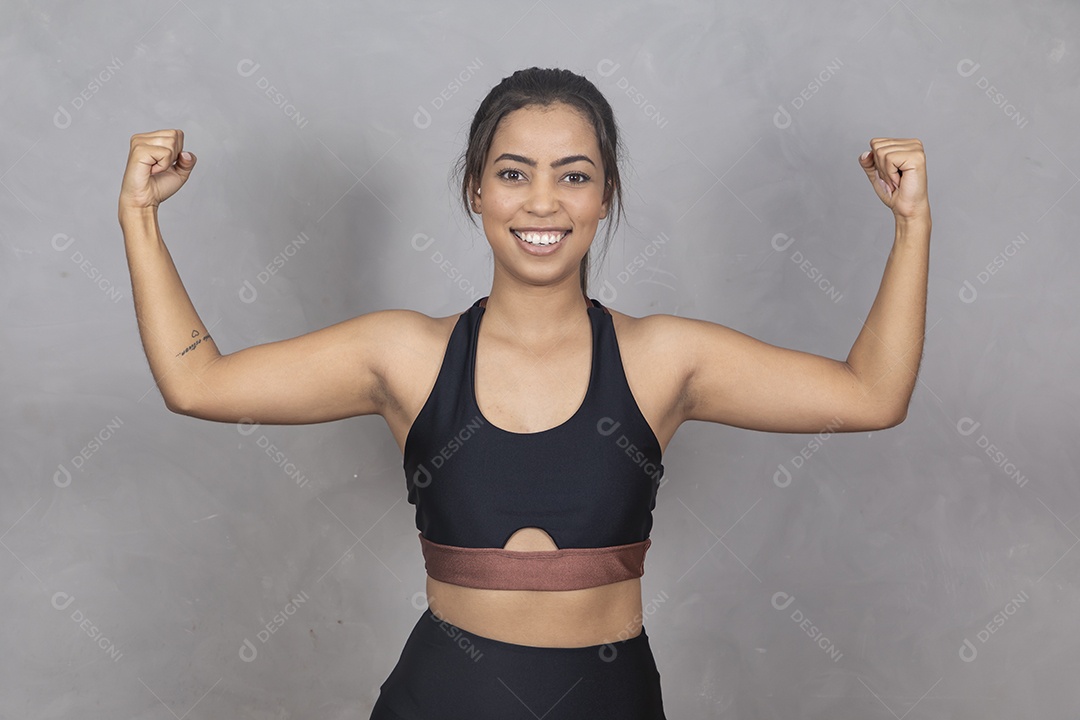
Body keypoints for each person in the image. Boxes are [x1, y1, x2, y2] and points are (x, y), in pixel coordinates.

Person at [118, 67, 930, 719]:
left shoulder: (664, 359)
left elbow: (871, 395)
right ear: (476, 189)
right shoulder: (404, 356)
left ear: (605, 195)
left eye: (573, 176)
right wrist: (139, 217)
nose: (543, 202)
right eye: (513, 174)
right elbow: (198, 382)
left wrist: (911, 224)